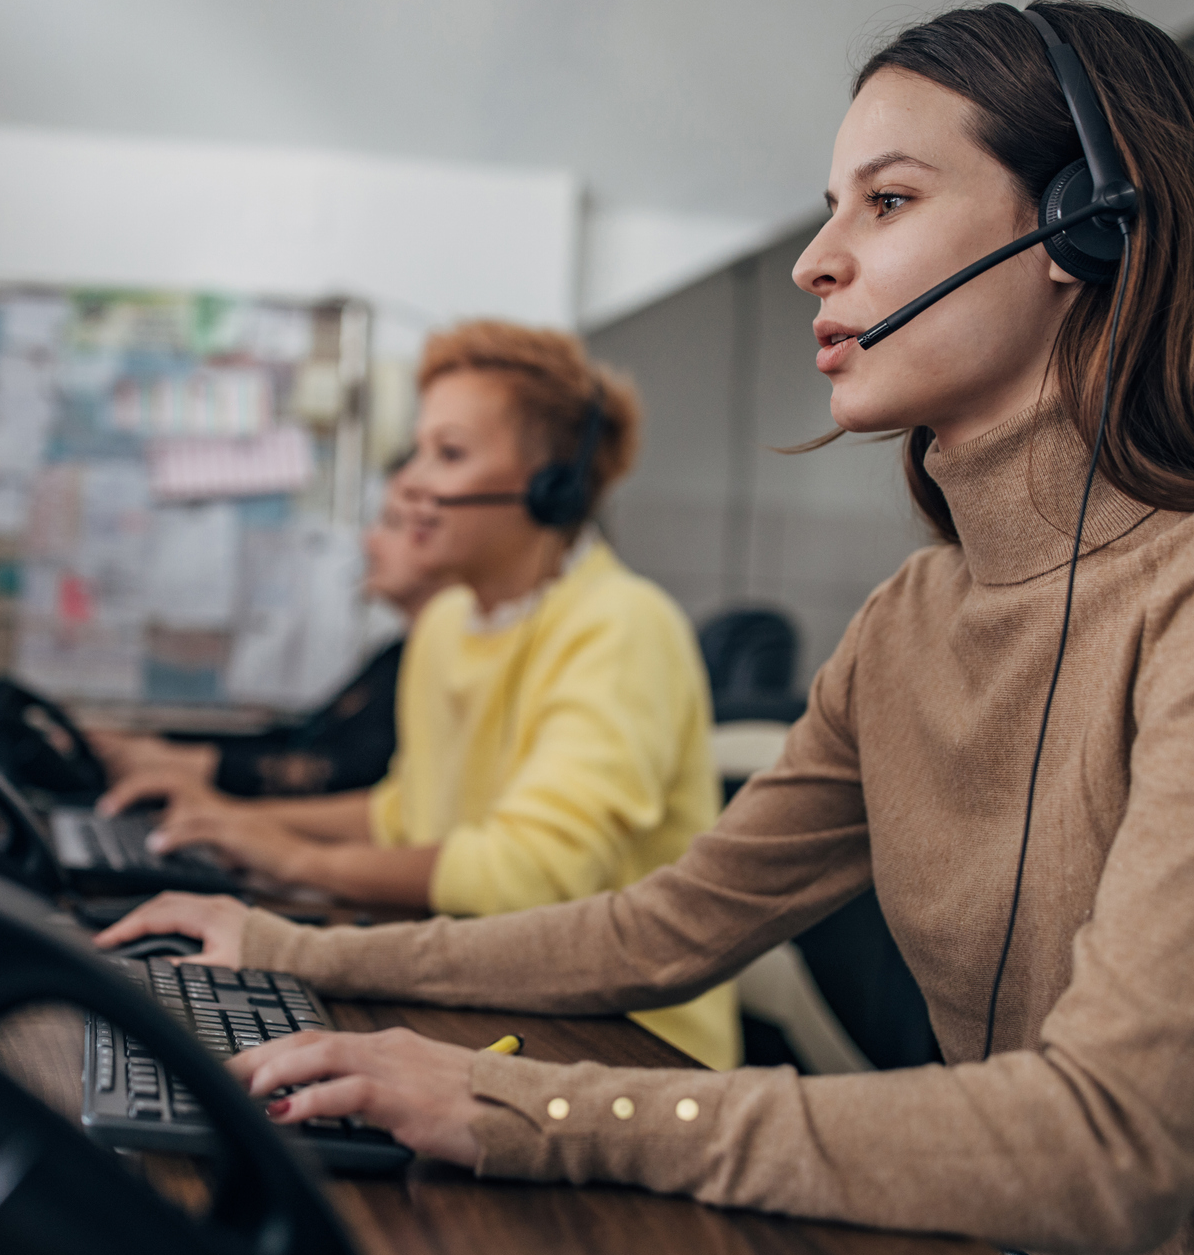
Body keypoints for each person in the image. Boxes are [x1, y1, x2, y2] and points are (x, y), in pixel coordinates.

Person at [99, 0, 1194, 1255]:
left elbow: (1115, 1139)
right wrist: (287, 947)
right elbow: (668, 926)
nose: (816, 261)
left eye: (887, 201)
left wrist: (543, 1107)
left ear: (1082, 227)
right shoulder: (917, 611)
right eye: (828, 205)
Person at [106, 320, 741, 1071]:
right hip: (485, 986)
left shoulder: (622, 628)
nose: (408, 483)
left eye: (449, 453)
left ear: (550, 487)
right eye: (417, 450)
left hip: (620, 1045)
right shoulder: (445, 622)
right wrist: (244, 823)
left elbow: (528, 876)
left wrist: (298, 862)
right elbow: (406, 813)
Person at [88, 462, 451, 799]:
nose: (367, 541)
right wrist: (156, 746)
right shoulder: (396, 655)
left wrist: (184, 767)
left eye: (391, 524)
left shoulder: (439, 667)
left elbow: (343, 776)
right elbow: (300, 740)